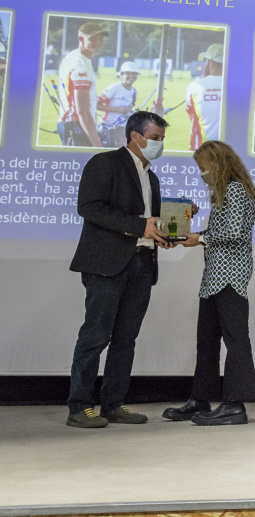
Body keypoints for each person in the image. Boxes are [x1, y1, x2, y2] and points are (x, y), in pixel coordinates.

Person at [66, 111, 170, 428]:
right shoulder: (105, 163)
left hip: (141, 264)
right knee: (96, 336)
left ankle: (113, 403)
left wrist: (168, 227)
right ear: (134, 136)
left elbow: (147, 219)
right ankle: (80, 406)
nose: (159, 145)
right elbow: (90, 207)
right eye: (154, 138)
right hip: (107, 264)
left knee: (126, 339)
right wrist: (140, 226)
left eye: (162, 140)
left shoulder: (151, 176)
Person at [163, 141, 255, 426]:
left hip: (230, 274)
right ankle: (200, 398)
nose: (202, 173)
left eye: (203, 168)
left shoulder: (236, 189)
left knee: (235, 339)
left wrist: (199, 237)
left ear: (218, 163)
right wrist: (187, 223)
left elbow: (232, 230)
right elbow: (221, 228)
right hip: (213, 277)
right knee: (206, 341)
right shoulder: (221, 194)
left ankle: (234, 404)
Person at [57, 21, 108, 147]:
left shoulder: (74, 56)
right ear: (81, 39)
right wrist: (98, 145)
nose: (98, 42)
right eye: (93, 38)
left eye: (100, 38)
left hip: (72, 124)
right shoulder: (80, 64)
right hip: (76, 125)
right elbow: (83, 111)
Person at [184, 44, 225, 150]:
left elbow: (191, 116)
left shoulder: (195, 86)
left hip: (200, 149)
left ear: (210, 62)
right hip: (228, 151)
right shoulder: (235, 86)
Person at [96, 61, 139, 148]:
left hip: (124, 129)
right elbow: (95, 105)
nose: (131, 76)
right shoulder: (113, 88)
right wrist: (116, 109)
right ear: (122, 74)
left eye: (134, 74)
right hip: (109, 128)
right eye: (128, 73)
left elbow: (128, 110)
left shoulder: (134, 92)